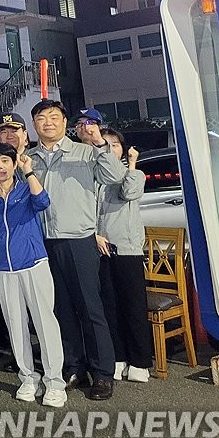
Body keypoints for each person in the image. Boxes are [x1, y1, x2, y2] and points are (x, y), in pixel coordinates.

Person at [27, 102, 126, 401]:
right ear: (34, 125)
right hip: (44, 242)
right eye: (41, 119)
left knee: (89, 307)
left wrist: (98, 142)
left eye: (54, 118)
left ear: (65, 122)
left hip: (78, 240)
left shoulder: (84, 152)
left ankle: (102, 372)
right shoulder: (28, 158)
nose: (47, 123)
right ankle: (73, 366)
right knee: (60, 309)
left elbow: (114, 176)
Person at [0, 141, 67, 408]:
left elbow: (43, 201)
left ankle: (54, 383)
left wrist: (29, 172)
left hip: (33, 264)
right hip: (3, 269)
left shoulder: (26, 190)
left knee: (44, 324)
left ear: (14, 163)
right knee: (15, 326)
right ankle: (28, 377)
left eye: (5, 161)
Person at [95, 128, 152, 383]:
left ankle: (140, 361)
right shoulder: (95, 175)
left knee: (133, 306)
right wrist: (94, 235)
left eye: (115, 145)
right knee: (109, 307)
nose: (110, 149)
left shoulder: (131, 175)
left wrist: (132, 164)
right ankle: (117, 357)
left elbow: (130, 192)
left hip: (127, 249)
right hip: (100, 248)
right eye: (105, 145)